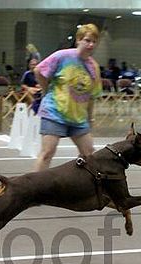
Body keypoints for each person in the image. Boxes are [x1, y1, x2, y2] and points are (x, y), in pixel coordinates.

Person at [33, 23, 102, 171]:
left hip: (78, 118)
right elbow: (39, 70)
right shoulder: (62, 56)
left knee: (89, 154)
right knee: (47, 153)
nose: (90, 45)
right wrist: (46, 90)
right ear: (78, 40)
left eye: (94, 42)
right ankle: (35, 189)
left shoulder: (94, 67)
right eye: (87, 40)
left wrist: (90, 119)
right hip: (54, 112)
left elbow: (92, 96)